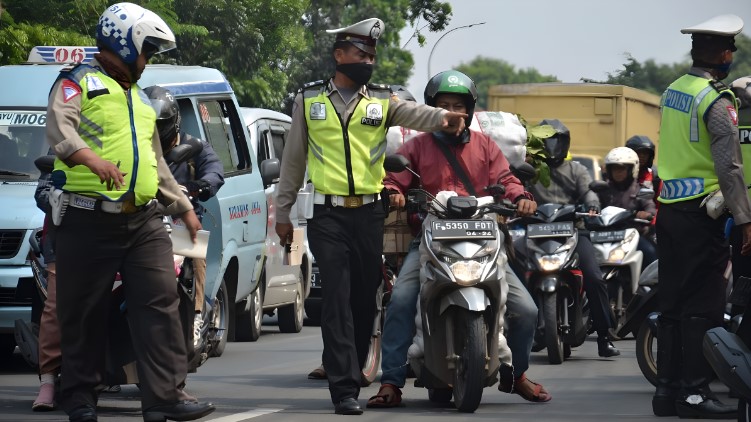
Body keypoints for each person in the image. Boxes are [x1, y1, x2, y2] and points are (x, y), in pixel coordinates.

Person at [273, 17, 468, 415]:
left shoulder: (381, 101)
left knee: (364, 301)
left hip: (368, 214)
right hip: (327, 215)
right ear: (339, 55)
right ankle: (343, 388)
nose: (368, 61)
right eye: (361, 53)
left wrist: (442, 118)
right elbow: (292, 161)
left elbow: (415, 115)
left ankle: (356, 364)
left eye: (372, 55)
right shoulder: (308, 100)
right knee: (337, 301)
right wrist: (283, 213)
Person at [45, 3, 215, 421]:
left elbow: (157, 165)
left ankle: (164, 399)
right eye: (147, 50)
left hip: (143, 221)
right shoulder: (75, 83)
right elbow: (59, 129)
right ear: (124, 43)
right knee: (83, 312)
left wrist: (185, 208)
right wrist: (91, 160)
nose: (148, 60)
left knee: (159, 304)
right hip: (86, 218)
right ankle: (81, 398)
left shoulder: (140, 100)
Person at [366, 70, 550, 409]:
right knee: (402, 301)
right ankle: (391, 381)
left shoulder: (486, 147)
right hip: (430, 241)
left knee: (526, 309)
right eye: (444, 105)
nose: (453, 112)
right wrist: (394, 192)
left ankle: (518, 374)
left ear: (469, 110)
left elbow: (507, 179)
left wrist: (521, 196)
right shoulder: (417, 145)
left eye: (459, 106)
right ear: (433, 110)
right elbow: (396, 179)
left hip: (483, 241)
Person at [652, 14, 751, 419]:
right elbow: (729, 168)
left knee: (672, 304)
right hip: (701, 216)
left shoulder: (673, 90)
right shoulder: (717, 99)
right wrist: (745, 220)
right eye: (731, 51)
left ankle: (667, 392)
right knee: (704, 308)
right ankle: (694, 395)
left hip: (669, 211)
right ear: (725, 54)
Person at [525, 118, 621, 358]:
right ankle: (510, 334)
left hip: (573, 231)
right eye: (546, 142)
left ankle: (603, 337)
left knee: (595, 279)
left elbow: (589, 193)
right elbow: (517, 191)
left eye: (556, 141)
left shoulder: (576, 169)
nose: (551, 147)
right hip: (535, 233)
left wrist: (592, 207)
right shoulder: (531, 170)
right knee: (508, 273)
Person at [144, 85, 225, 348]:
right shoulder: (138, 146)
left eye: (161, 125)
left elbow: (215, 171)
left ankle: (197, 315)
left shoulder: (194, 146)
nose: (156, 130)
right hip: (145, 218)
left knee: (196, 250)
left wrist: (199, 186)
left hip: (181, 221)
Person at [599, 146, 657, 270]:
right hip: (604, 236)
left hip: (632, 236)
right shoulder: (603, 190)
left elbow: (650, 207)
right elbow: (593, 205)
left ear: (632, 169)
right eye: (615, 168)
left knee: (651, 252)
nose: (618, 172)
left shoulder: (639, 189)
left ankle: (649, 287)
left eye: (622, 169)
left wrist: (646, 214)